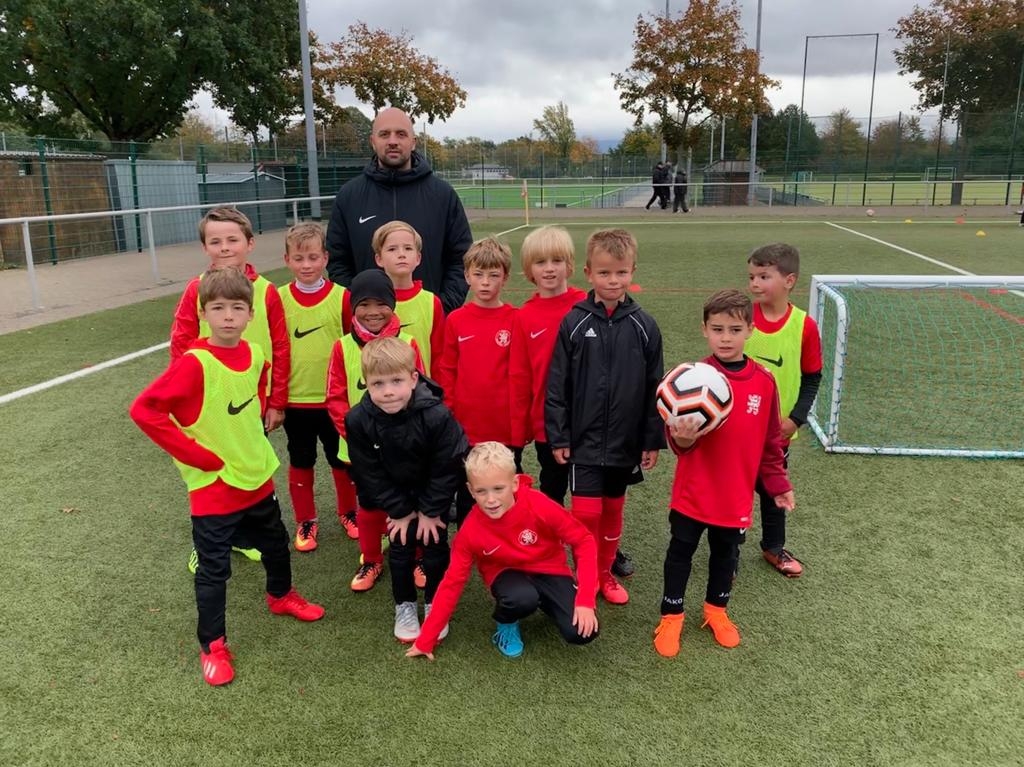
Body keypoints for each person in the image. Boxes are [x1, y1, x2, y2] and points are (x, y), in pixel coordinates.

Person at [130, 268, 324, 686]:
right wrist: (196, 456)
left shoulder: (254, 354)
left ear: (251, 314)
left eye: (238, 308)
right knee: (214, 569)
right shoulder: (194, 363)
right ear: (204, 314)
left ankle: (280, 596)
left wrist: (257, 427)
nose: (229, 316)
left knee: (276, 545)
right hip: (215, 488)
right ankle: (213, 646)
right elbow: (144, 410)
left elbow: (254, 392)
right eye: (218, 308)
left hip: (257, 476)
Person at [653, 289, 793, 657]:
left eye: (734, 330)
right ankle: (671, 615)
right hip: (693, 492)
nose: (725, 338)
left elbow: (771, 442)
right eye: (717, 329)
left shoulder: (764, 382)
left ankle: (716, 611)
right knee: (680, 552)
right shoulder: (691, 378)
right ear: (704, 329)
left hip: (735, 496)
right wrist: (682, 439)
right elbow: (679, 444)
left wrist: (778, 484)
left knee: (725, 555)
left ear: (750, 330)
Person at [507, 226, 635, 580]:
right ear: (528, 270)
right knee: (552, 491)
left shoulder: (590, 304)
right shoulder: (523, 317)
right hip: (549, 425)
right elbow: (519, 377)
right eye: (540, 262)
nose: (549, 269)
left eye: (557, 260)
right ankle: (550, 552)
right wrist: (520, 431)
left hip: (593, 423)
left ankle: (603, 550)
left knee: (595, 496)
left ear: (572, 265)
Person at [545, 228, 665, 606]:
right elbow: (557, 384)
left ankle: (604, 574)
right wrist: (559, 436)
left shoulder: (645, 326)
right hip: (583, 441)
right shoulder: (574, 322)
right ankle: (584, 576)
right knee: (585, 513)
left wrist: (651, 439)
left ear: (632, 272)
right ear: (588, 273)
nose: (613, 280)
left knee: (613, 509)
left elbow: (656, 387)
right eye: (604, 273)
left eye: (621, 272)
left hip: (624, 442)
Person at [170, 206, 290, 571]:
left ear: (250, 244)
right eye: (215, 241)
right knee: (208, 479)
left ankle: (242, 537)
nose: (224, 248)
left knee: (250, 472)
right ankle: (205, 545)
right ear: (205, 247)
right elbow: (181, 343)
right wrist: (183, 399)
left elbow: (281, 347)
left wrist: (276, 401)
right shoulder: (196, 289)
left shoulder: (267, 292)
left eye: (232, 240)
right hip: (208, 412)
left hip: (250, 405)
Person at [406, 442, 599, 660]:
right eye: (481, 491)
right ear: (470, 490)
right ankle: (507, 622)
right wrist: (426, 640)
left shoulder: (538, 504)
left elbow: (584, 540)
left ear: (514, 483)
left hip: (549, 569)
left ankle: (547, 600)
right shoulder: (470, 531)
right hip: (506, 575)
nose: (490, 500)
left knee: (582, 632)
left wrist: (585, 600)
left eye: (498, 489)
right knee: (521, 598)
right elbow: (452, 582)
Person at [345, 337, 469, 642]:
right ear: (366, 384)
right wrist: (399, 511)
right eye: (378, 383)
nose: (388, 391)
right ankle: (404, 604)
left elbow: (449, 464)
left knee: (434, 544)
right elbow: (368, 471)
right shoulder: (357, 419)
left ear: (413, 379)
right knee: (400, 546)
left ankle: (435, 603)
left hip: (432, 494)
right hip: (395, 497)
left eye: (396, 381)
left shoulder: (437, 415)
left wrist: (430, 510)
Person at [326, 269, 425, 592]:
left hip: (404, 447)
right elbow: (335, 397)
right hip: (361, 450)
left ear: (392, 305)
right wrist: (358, 438)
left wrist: (407, 436)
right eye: (364, 304)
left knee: (411, 501)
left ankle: (419, 557)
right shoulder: (342, 347)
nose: (373, 312)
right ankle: (371, 559)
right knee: (368, 504)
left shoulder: (408, 343)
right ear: (353, 308)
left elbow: (421, 393)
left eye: (381, 303)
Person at [326, 107, 472, 314]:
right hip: (370, 325)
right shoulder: (349, 196)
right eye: (384, 134)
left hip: (429, 324)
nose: (392, 141)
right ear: (373, 141)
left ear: (413, 142)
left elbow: (462, 259)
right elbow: (337, 262)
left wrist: (439, 309)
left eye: (401, 134)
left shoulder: (442, 195)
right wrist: (363, 308)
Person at [277, 222, 359, 553]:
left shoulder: (342, 297)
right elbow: (275, 347)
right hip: (296, 401)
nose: (306, 265)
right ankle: (306, 520)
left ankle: (348, 512)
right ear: (287, 260)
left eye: (313, 257)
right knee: (301, 460)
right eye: (299, 258)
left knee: (341, 460)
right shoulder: (279, 298)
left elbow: (353, 347)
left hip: (334, 401)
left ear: (325, 257)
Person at [745, 244, 822, 577]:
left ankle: (773, 547)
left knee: (772, 489)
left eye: (763, 276)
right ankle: (728, 550)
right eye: (751, 276)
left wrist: (796, 419)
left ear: (789, 280)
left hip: (777, 432)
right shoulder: (743, 318)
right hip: (739, 428)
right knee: (735, 490)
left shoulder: (804, 326)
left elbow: (812, 377)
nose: (754, 283)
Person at [435, 237, 519, 524]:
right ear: (467, 275)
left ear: (505, 277)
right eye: (478, 274)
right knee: (468, 494)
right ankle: (469, 542)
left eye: (493, 275)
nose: (485, 282)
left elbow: (520, 375)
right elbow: (447, 370)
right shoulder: (456, 320)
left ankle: (505, 543)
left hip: (503, 429)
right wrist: (449, 414)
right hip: (465, 428)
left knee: (505, 494)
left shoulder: (515, 319)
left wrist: (518, 423)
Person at [370, 220, 445, 375]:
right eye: (392, 249)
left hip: (421, 387)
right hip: (382, 386)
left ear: (418, 258)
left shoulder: (431, 302)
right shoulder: (370, 303)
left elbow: (439, 356)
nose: (401, 254)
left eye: (408, 248)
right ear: (379, 259)